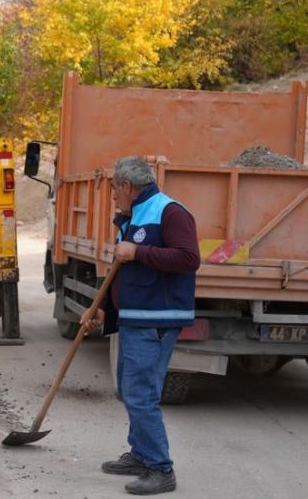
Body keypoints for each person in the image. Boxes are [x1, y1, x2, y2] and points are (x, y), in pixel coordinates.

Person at [81, 157, 200, 495]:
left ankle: (161, 469)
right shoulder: (133, 216)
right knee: (129, 390)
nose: (114, 196)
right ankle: (140, 455)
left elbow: (189, 259)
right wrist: (103, 309)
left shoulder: (170, 212)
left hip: (156, 321)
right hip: (135, 318)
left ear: (128, 186)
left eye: (115, 188)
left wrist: (139, 251)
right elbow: (123, 271)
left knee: (140, 394)